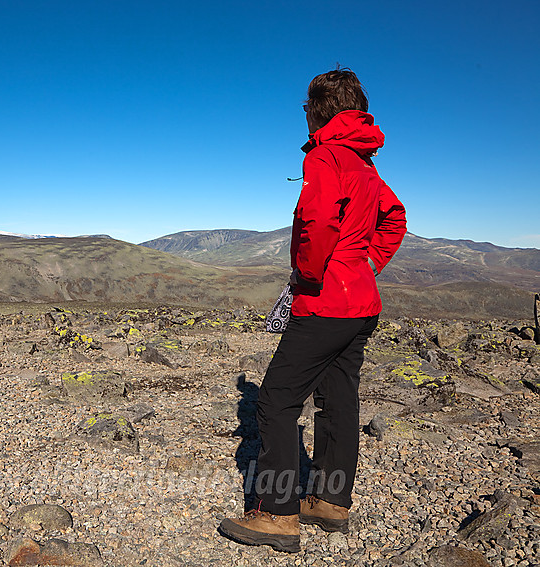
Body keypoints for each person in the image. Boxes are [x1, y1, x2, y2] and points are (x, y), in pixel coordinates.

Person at [219, 68, 407, 553]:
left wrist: (308, 273)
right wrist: (367, 262)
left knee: (276, 400)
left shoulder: (327, 156)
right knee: (338, 398)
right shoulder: (364, 165)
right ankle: (330, 500)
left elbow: (319, 221)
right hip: (361, 303)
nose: (303, 115)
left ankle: (278, 514)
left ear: (319, 110)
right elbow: (395, 215)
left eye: (305, 108)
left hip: (325, 300)